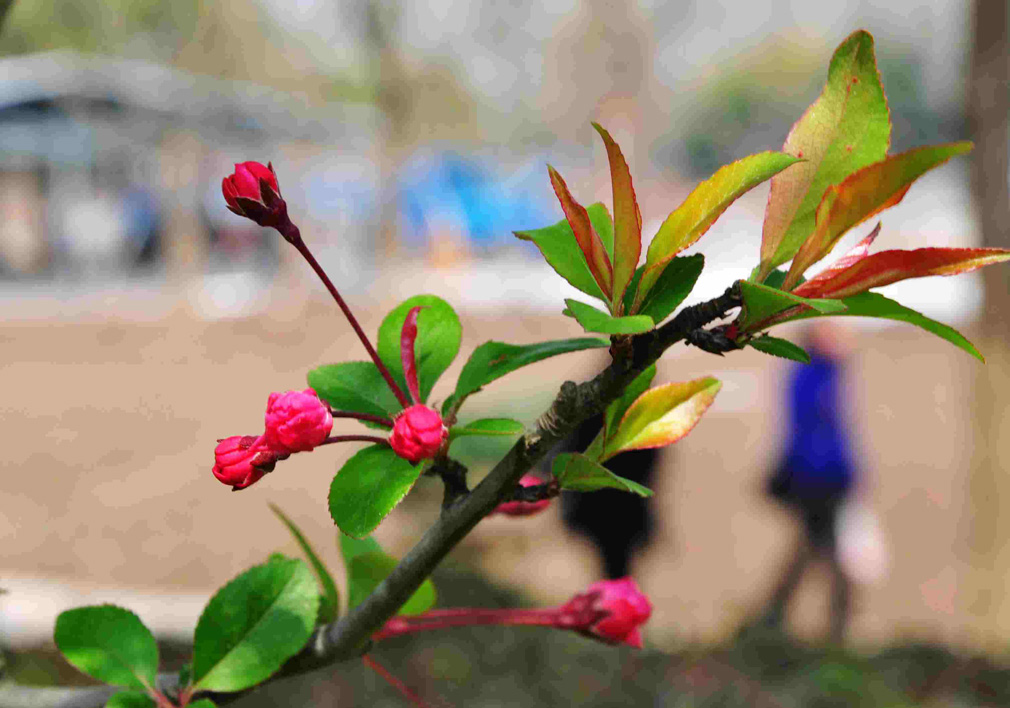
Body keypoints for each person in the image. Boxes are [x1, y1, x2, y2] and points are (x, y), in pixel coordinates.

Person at [756, 322, 860, 643]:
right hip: (818, 480)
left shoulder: (828, 374)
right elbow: (814, 435)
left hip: (825, 478)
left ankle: (772, 616)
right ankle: (834, 628)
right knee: (829, 555)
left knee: (810, 551)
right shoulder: (813, 376)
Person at [560, 413, 661, 579]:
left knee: (613, 564)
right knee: (615, 564)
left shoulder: (589, 408)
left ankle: (615, 594)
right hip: (621, 507)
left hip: (604, 507)